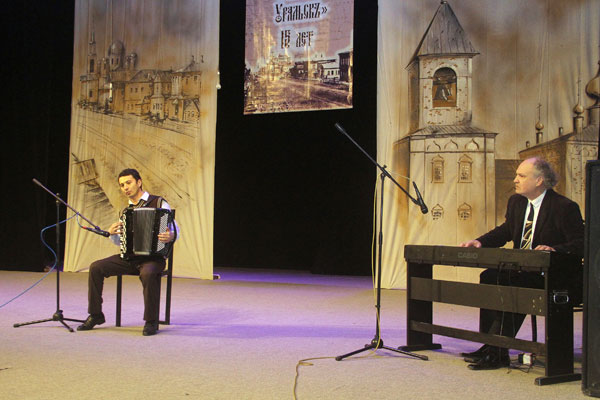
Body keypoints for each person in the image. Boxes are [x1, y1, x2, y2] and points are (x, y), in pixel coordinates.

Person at [459, 157, 584, 370]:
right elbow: (506, 230)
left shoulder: (564, 207)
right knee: (489, 276)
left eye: (521, 176)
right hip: (523, 270)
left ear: (539, 180)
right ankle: (491, 344)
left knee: (515, 283)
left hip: (554, 275)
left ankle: (497, 351)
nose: (515, 180)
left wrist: (554, 249)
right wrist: (480, 242)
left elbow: (581, 242)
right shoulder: (516, 202)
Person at [77, 168, 178, 336]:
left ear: (139, 182)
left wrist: (171, 235)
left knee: (148, 273)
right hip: (130, 257)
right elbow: (120, 242)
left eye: (128, 183)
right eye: (122, 185)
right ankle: (96, 315)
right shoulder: (126, 212)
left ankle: (151, 321)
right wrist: (113, 234)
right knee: (96, 267)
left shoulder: (159, 203)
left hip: (154, 258)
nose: (125, 187)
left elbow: (175, 228)